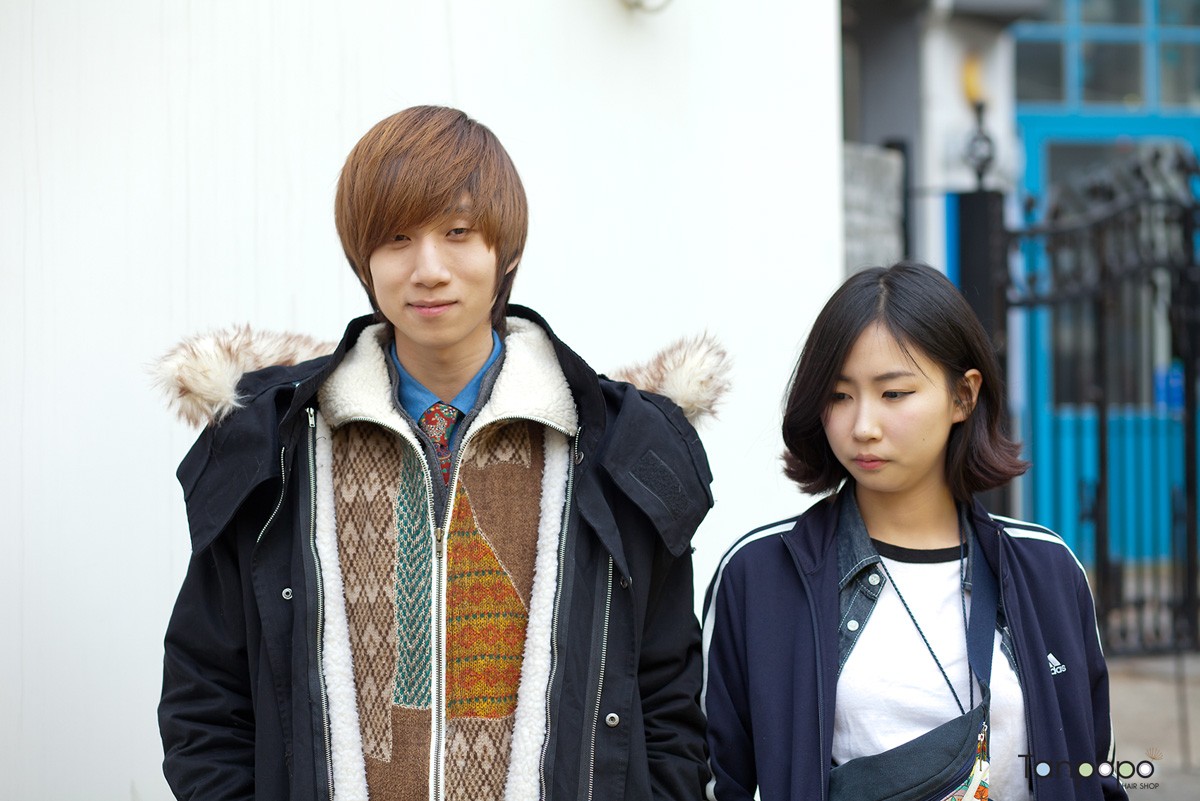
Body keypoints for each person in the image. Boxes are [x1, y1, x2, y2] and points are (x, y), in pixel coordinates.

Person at [156, 105, 729, 801]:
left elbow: (667, 700)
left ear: (505, 251)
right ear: (363, 259)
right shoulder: (275, 445)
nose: (428, 269)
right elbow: (206, 697)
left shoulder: (615, 446)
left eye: (457, 233)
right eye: (397, 238)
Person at [702, 262, 1127, 801]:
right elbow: (717, 781)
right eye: (839, 396)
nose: (863, 426)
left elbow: (1095, 771)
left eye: (894, 393)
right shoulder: (762, 574)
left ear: (963, 396)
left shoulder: (1046, 569)